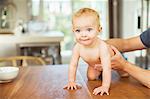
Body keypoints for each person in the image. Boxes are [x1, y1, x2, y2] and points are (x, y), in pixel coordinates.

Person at [63, 8, 115, 96]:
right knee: (91, 77)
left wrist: (105, 86)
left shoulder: (102, 47)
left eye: (89, 30)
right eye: (78, 30)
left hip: (113, 61)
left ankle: (121, 67)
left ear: (99, 30)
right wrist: (71, 81)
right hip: (94, 64)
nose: (83, 35)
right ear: (73, 31)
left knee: (124, 73)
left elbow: (107, 68)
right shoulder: (78, 47)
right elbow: (73, 64)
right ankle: (100, 74)